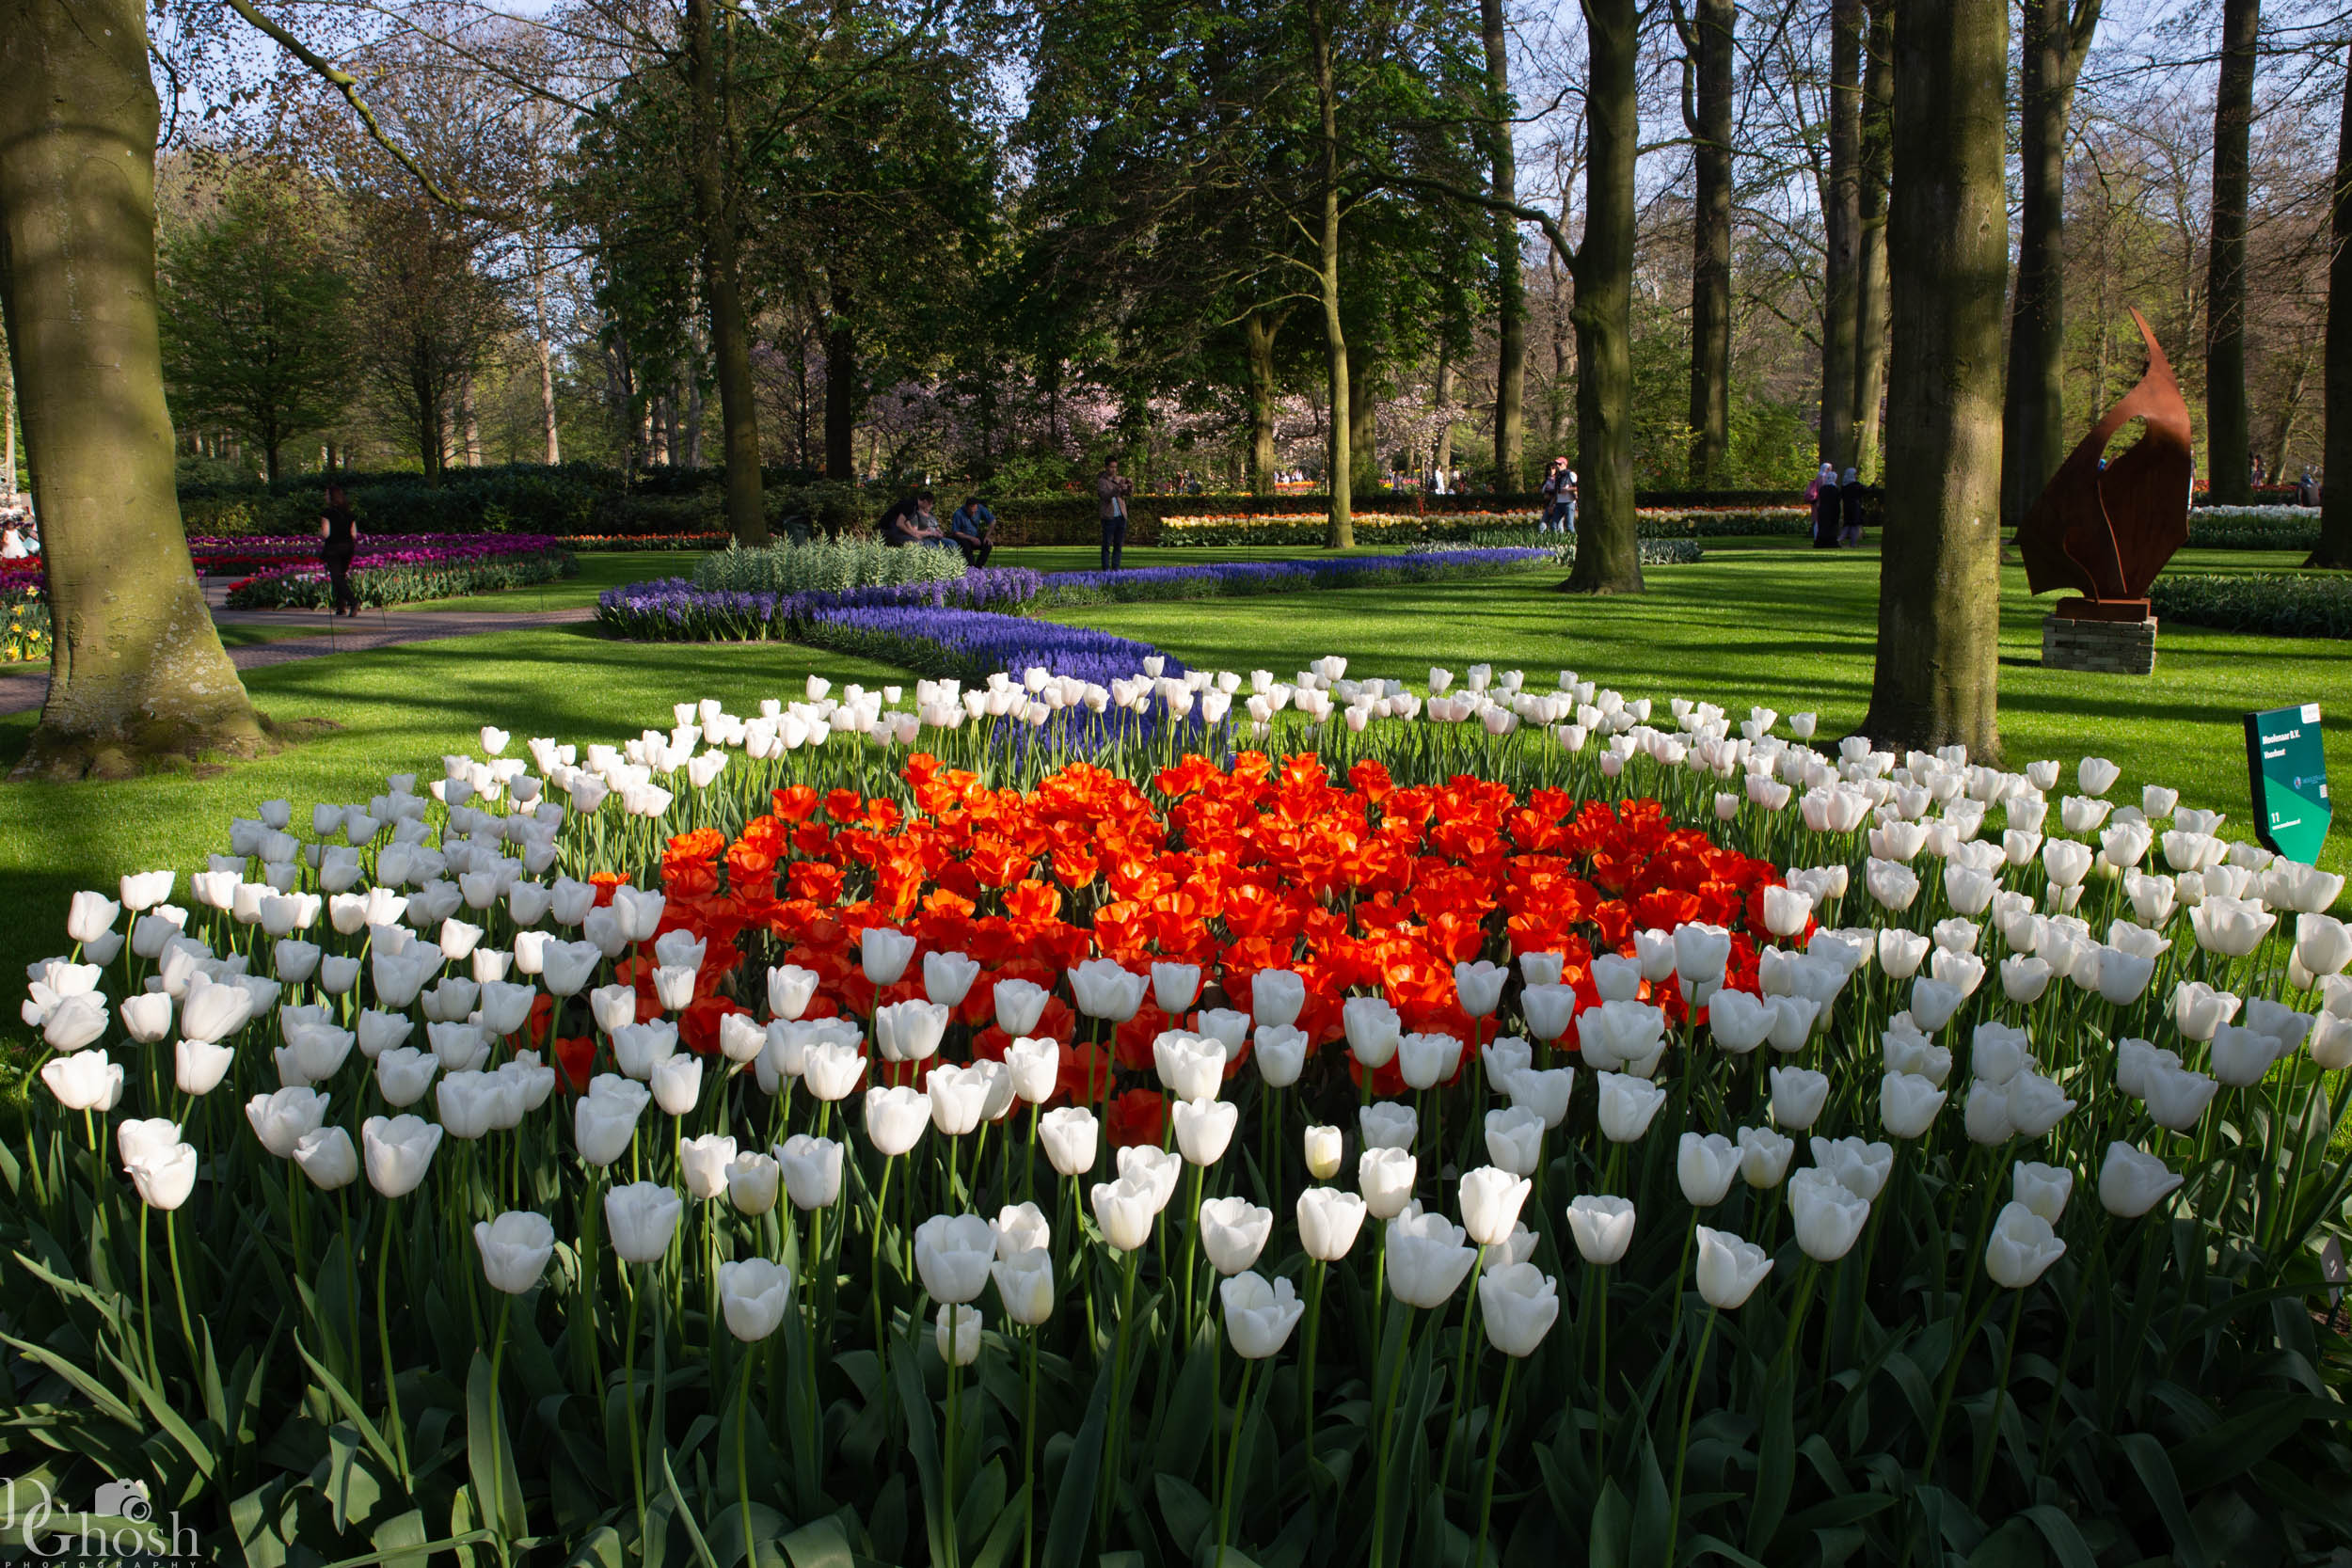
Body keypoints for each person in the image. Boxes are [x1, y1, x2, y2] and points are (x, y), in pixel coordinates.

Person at [318, 484, 361, 614]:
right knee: (341, 576)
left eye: (326, 494)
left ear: (331, 497)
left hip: (334, 548)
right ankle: (340, 607)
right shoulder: (349, 513)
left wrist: (319, 533)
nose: (325, 497)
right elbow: (354, 534)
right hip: (348, 547)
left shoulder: (327, 513)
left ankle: (353, 601)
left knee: (336, 577)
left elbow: (326, 533)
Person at [1097, 456, 1133, 571]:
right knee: (1107, 544)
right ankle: (1106, 569)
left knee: (1118, 544)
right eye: (1111, 467)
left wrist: (1130, 486)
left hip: (1121, 516)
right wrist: (1117, 488)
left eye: (1115, 467)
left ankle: (1116, 568)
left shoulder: (1120, 479)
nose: (1113, 470)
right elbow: (1105, 495)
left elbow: (1127, 494)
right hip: (1109, 516)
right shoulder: (1102, 481)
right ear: (1106, 467)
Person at [947, 496, 994, 566]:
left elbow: (993, 521)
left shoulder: (980, 508)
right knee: (966, 547)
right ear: (967, 508)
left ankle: (978, 567)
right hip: (963, 538)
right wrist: (972, 539)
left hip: (974, 535)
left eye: (975, 511)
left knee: (988, 544)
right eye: (971, 511)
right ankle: (971, 567)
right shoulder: (958, 514)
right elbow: (956, 532)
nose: (974, 514)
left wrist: (987, 536)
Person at [1808, 463, 1839, 548]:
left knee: (1818, 521)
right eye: (1829, 469)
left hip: (1818, 502)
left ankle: (1818, 539)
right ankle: (1819, 538)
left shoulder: (1819, 476)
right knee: (1819, 522)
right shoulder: (1823, 478)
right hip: (1820, 502)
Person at [1837, 467, 1865, 546]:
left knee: (1848, 524)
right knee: (1855, 524)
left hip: (1846, 506)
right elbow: (1865, 491)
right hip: (1855, 506)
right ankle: (1852, 542)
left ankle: (1840, 539)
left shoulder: (1844, 485)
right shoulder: (1856, 485)